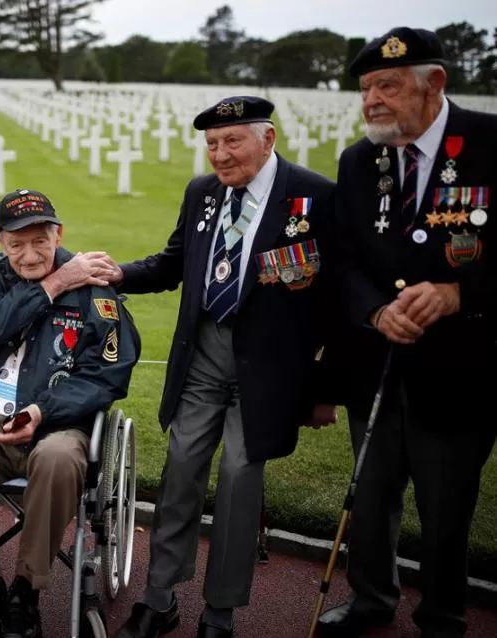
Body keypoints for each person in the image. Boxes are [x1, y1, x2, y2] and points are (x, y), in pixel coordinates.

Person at [108, 97, 338, 638]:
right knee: (181, 468)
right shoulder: (202, 192)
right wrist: (115, 274)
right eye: (212, 143)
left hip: (269, 372)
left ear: (268, 138)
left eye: (232, 140)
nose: (219, 153)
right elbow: (173, 262)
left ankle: (220, 613)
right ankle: (159, 598)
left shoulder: (316, 197)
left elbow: (335, 301)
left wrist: (324, 390)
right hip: (204, 356)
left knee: (238, 477)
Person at [317, 27, 496, 638]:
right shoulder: (359, 160)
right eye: (366, 88)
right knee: (371, 497)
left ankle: (443, 615)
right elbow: (342, 260)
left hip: (459, 366)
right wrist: (373, 312)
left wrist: (459, 291)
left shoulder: (490, 143)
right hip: (375, 364)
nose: (372, 100)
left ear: (434, 83)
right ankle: (371, 599)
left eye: (387, 85)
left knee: (446, 507)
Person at [0, 189, 139, 637]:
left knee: (56, 458)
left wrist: (41, 411)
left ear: (59, 235)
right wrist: (53, 284)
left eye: (40, 241)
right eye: (16, 244)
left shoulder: (96, 288)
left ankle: (27, 589)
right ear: (1, 242)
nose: (29, 254)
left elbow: (106, 376)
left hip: (57, 427)